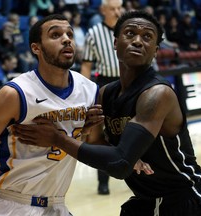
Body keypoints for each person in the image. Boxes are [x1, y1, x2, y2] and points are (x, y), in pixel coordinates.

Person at [13, 10, 201, 216]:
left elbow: (120, 165)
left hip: (186, 201)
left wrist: (57, 138)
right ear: (115, 42)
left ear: (156, 50)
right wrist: (127, 155)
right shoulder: (106, 94)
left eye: (147, 37)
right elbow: (95, 142)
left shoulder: (157, 94)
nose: (138, 41)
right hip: (144, 202)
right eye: (130, 33)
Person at [0, 14, 99, 216]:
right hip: (12, 204)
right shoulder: (15, 94)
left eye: (69, 33)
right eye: (56, 35)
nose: (67, 39)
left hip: (57, 205)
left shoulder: (89, 90)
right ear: (36, 48)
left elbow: (96, 145)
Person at [81, 0, 123, 195]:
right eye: (112, 9)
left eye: (119, 8)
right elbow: (87, 66)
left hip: (130, 83)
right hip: (106, 85)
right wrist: (83, 93)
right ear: (102, 10)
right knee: (102, 135)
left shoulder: (128, 28)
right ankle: (103, 181)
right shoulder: (93, 33)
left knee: (137, 130)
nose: (117, 12)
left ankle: (144, 176)